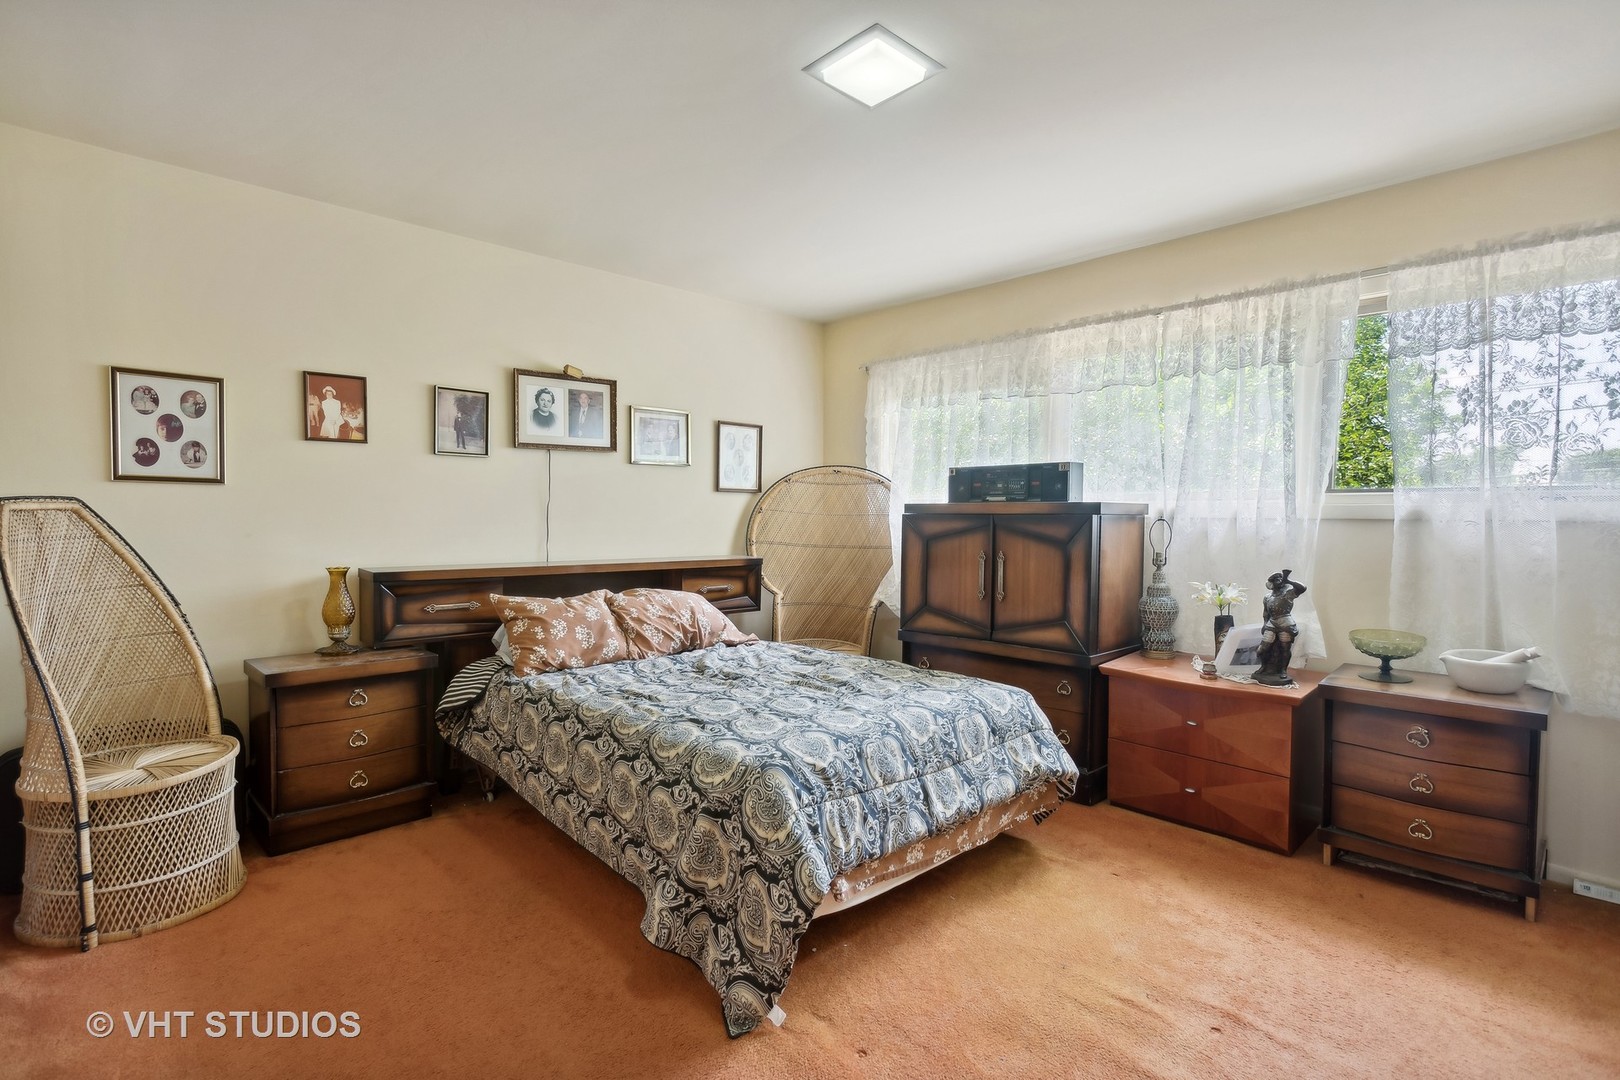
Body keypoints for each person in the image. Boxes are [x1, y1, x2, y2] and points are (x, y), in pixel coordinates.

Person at [1254, 569, 1307, 686]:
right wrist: (1264, 624)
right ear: (1271, 583)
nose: (1278, 581)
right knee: (1263, 648)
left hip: (1285, 622)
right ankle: (1263, 667)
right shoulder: (1267, 597)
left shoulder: (1288, 594)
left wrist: (1289, 580)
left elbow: (1302, 588)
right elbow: (1266, 613)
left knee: (1285, 648)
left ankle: (1283, 669)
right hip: (1271, 623)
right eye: (1276, 579)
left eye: (1280, 579)